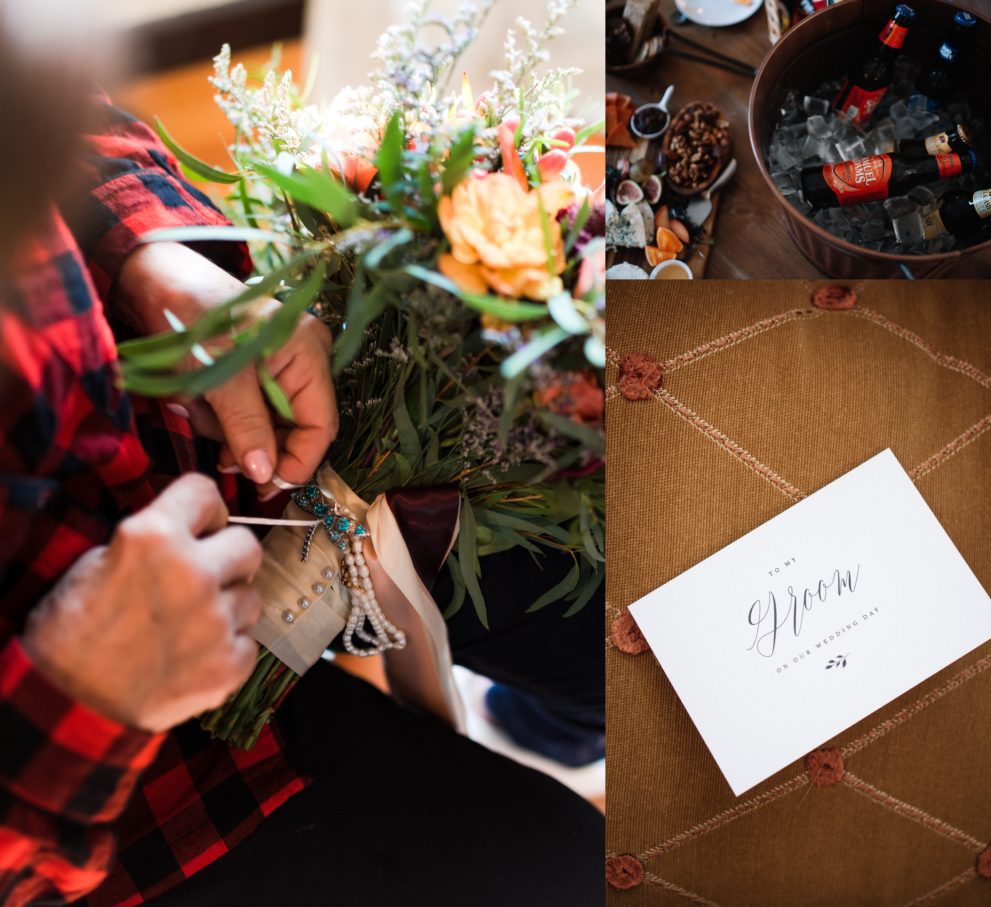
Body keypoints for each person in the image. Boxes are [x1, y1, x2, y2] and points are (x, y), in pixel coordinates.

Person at [0, 42, 602, 907]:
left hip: (251, 451)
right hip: (137, 787)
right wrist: (82, 697)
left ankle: (528, 724)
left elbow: (51, 103)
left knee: (623, 622)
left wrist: (144, 252)